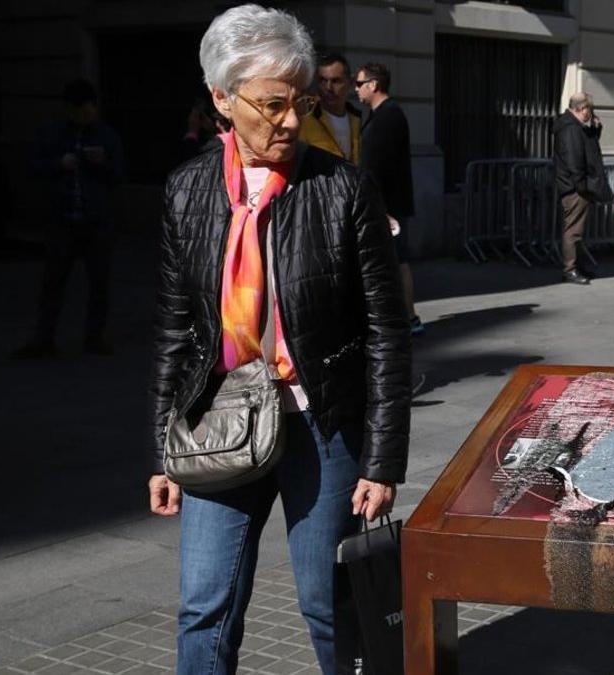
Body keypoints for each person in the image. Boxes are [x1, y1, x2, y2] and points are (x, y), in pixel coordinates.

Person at [146, 5, 411, 672]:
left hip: (321, 424)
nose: (291, 120)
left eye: (301, 101)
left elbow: (386, 331)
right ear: (221, 98)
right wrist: (164, 448)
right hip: (219, 423)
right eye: (272, 104)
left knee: (329, 604)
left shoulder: (344, 191)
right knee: (204, 606)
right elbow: (177, 329)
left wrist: (381, 459)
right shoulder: (186, 192)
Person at [13, 78, 125, 358]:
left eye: (85, 109)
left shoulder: (106, 136)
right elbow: (31, 167)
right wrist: (58, 164)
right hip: (62, 221)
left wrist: (101, 163)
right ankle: (44, 339)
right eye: (76, 110)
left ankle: (94, 338)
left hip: (96, 222)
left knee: (99, 283)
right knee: (53, 282)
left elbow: (118, 175)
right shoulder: (53, 133)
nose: (81, 115)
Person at [356, 62, 423, 335]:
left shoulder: (389, 116)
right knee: (393, 259)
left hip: (388, 204)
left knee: (397, 260)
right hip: (386, 202)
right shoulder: (380, 115)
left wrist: (381, 207)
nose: (356, 89)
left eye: (359, 84)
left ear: (373, 85)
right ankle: (404, 317)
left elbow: (380, 167)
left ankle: (409, 318)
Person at [553, 92, 609, 284]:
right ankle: (569, 269)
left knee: (578, 229)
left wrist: (595, 129)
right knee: (573, 230)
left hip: (576, 185)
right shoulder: (570, 129)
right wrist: (581, 186)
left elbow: (588, 146)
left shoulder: (575, 127)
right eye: (589, 110)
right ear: (581, 108)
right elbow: (574, 160)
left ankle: (577, 265)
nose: (590, 113)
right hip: (574, 188)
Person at [300, 53, 362, 163]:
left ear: (350, 83)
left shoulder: (357, 119)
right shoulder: (305, 119)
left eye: (336, 81)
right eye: (323, 81)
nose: (328, 88)